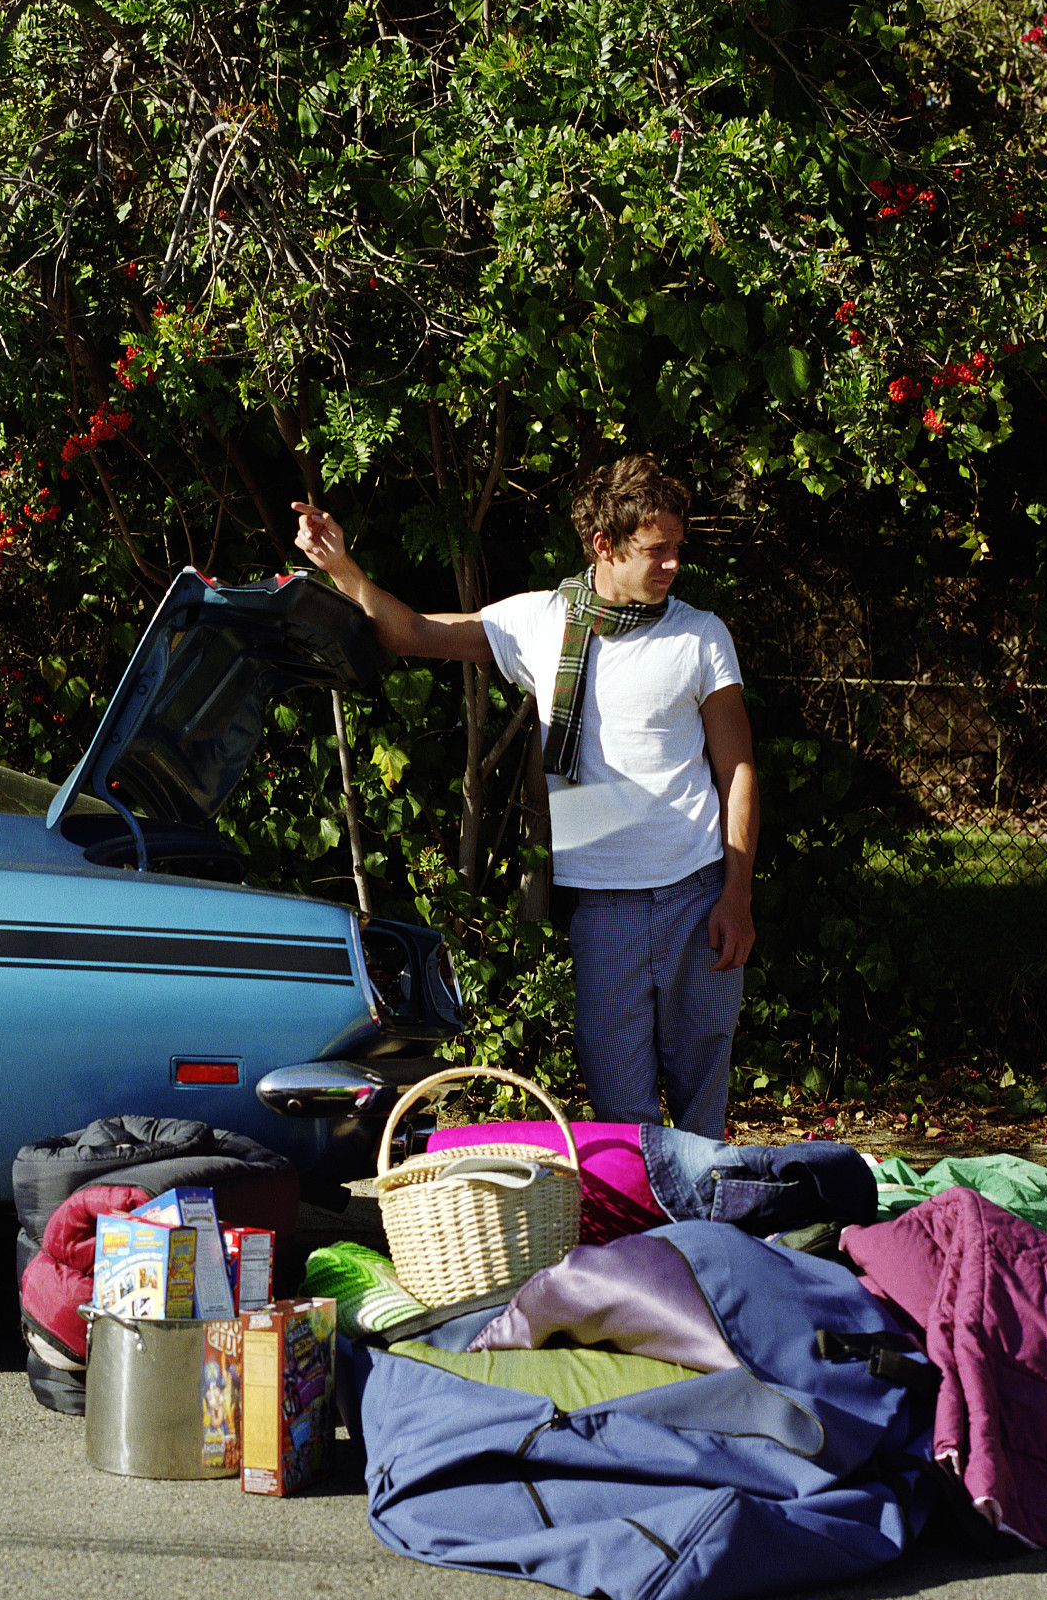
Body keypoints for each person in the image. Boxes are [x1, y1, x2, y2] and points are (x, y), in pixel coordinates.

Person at [293, 454, 758, 1137]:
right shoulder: (542, 621)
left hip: (696, 891)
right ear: (604, 546)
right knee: (620, 1108)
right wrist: (342, 569)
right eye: (655, 551)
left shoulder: (700, 634)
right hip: (603, 901)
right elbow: (415, 633)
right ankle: (645, 1209)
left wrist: (735, 896)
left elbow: (737, 769)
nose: (672, 565)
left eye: (676, 549)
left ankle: (705, 1208)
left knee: (700, 1101)